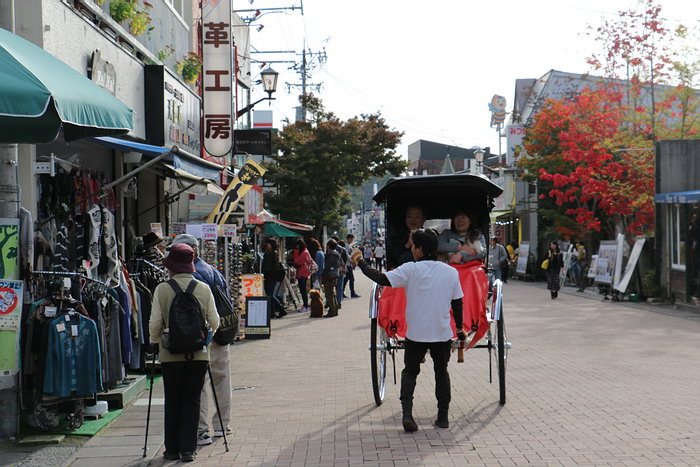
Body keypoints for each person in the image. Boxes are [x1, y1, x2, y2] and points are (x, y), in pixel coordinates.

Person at [353, 229, 466, 432]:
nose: (411, 249)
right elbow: (457, 304)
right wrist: (459, 329)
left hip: (416, 334)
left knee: (410, 373)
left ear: (420, 249)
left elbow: (381, 279)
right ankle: (442, 417)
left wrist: (360, 262)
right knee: (441, 373)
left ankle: (407, 414)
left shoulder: (411, 269)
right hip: (441, 334)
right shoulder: (451, 272)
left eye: (413, 246)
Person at [148, 243, 220, 462]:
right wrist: (204, 338)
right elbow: (214, 321)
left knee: (173, 401)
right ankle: (188, 450)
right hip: (198, 355)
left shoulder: (162, 288)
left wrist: (155, 341)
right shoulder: (203, 288)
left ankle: (171, 450)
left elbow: (155, 323)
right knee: (192, 401)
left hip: (170, 355)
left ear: (171, 266)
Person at [166, 234, 232, 447]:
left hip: (201, 337)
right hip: (222, 333)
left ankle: (202, 431)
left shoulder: (191, 277)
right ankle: (223, 425)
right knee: (221, 378)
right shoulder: (214, 271)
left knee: (200, 383)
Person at [261, 238, 286, 318]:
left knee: (270, 295)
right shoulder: (266, 253)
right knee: (269, 295)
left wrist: (273, 274)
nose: (267, 245)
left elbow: (276, 267)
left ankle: (281, 309)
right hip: (266, 276)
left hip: (271, 277)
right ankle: (272, 312)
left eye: (269, 243)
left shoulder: (274, 254)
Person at [321, 239, 342, 318]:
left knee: (329, 294)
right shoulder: (336, 254)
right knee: (333, 294)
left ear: (329, 246)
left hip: (329, 276)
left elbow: (327, 267)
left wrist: (322, 274)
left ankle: (332, 311)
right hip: (335, 275)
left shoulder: (331, 255)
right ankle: (335, 309)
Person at [293, 239, 313, 312]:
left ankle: (305, 305)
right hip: (304, 272)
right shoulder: (306, 251)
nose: (297, 247)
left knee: (303, 290)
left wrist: (295, 260)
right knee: (303, 289)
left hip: (302, 272)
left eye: (298, 245)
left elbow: (297, 262)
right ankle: (305, 305)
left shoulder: (304, 252)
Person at [343, 234, 360, 298]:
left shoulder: (348, 245)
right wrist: (353, 259)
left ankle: (343, 292)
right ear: (349, 238)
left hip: (348, 264)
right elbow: (347, 255)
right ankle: (352, 293)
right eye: (352, 239)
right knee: (351, 279)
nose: (352, 240)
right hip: (347, 264)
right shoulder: (346, 245)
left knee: (346, 279)